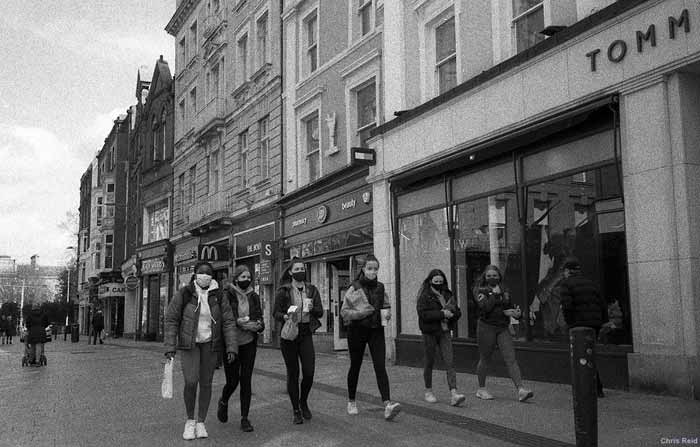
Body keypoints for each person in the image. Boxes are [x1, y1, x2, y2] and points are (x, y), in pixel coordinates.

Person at [164, 261, 238, 441]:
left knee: (206, 383)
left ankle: (201, 422)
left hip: (210, 345)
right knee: (191, 381)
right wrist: (170, 346)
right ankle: (190, 421)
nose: (204, 275)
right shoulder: (184, 293)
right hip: (190, 344)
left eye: (208, 273)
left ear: (212, 276)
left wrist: (231, 346)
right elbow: (172, 319)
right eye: (201, 272)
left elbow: (228, 321)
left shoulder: (219, 296)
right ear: (195, 275)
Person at [340, 255, 402, 420]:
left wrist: (387, 315)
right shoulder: (354, 288)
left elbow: (386, 305)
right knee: (355, 365)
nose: (372, 272)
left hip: (376, 331)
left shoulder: (381, 287)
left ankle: (387, 404)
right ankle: (351, 401)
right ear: (363, 269)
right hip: (357, 331)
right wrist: (360, 313)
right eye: (369, 268)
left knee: (380, 366)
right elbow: (344, 312)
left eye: (375, 269)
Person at [273, 258, 323, 425]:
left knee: (309, 371)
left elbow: (320, 312)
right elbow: (276, 313)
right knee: (293, 373)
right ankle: (296, 409)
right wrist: (286, 315)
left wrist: (312, 308)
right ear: (290, 272)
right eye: (297, 268)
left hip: (305, 332)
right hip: (289, 334)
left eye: (302, 268)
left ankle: (303, 401)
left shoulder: (312, 289)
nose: (300, 270)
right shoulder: (284, 291)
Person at [473, 265, 533, 402]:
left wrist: (516, 314)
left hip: (502, 327)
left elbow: (509, 307)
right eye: (489, 276)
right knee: (485, 359)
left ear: (499, 276)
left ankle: (521, 389)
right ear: (484, 277)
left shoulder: (505, 289)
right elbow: (485, 308)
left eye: (495, 275)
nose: (492, 278)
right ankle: (481, 389)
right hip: (486, 327)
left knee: (511, 359)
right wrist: (495, 295)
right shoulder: (479, 290)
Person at [217, 265, 264, 432]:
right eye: (243, 277)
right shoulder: (227, 295)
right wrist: (239, 322)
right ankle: (223, 400)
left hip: (249, 343)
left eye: (248, 277)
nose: (247, 280)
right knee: (233, 381)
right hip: (231, 343)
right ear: (236, 279)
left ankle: (245, 418)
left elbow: (259, 318)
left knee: (246, 380)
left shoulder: (254, 296)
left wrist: (258, 325)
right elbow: (225, 318)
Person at [558, 257, 608, 398]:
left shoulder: (566, 284)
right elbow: (602, 304)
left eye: (565, 271)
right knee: (589, 354)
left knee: (581, 356)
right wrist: (602, 322)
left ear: (567, 271)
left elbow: (567, 306)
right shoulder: (590, 283)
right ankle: (596, 387)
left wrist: (570, 324)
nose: (564, 273)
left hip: (578, 325)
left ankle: (589, 387)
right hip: (594, 324)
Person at [416, 269, 466, 406]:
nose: (438, 283)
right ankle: (428, 391)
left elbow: (458, 311)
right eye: (436, 281)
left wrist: (452, 314)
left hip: (444, 332)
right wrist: (442, 314)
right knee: (429, 362)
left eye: (441, 281)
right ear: (430, 281)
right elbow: (423, 314)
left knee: (449, 362)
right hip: (429, 332)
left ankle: (454, 393)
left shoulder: (448, 293)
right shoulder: (425, 296)